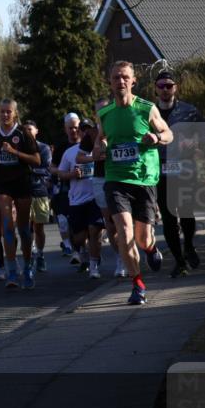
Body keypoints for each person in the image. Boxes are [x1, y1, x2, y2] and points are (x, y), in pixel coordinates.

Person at [95, 61, 172, 305]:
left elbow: (169, 133)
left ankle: (150, 249)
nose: (120, 82)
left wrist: (157, 137)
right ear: (110, 82)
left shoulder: (146, 109)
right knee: (124, 232)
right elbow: (101, 140)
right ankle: (137, 284)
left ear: (133, 81)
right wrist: (101, 147)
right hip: (116, 179)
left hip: (144, 179)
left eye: (125, 77)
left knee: (141, 238)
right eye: (116, 77)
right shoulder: (104, 114)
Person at [0, 99, 41, 289]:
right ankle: (11, 272)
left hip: (22, 183)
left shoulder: (23, 133)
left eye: (8, 112)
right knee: (7, 225)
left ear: (15, 114)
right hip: (2, 184)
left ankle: (27, 266)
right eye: (2, 112)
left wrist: (15, 152)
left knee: (24, 229)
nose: (4, 115)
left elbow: (36, 160)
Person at [153, 70, 205, 277]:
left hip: (184, 168)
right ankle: (179, 260)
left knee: (186, 213)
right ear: (155, 89)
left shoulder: (189, 111)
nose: (165, 89)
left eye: (169, 85)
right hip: (159, 170)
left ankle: (189, 245)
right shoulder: (149, 113)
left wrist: (194, 142)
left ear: (175, 87)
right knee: (168, 218)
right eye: (161, 86)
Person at [77, 98, 125, 277]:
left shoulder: (121, 125)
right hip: (100, 179)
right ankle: (121, 259)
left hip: (121, 176)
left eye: (106, 110)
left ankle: (130, 253)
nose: (102, 114)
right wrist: (95, 158)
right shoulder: (92, 133)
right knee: (110, 225)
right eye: (99, 111)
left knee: (124, 222)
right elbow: (80, 158)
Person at [58, 120, 105, 279]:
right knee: (79, 237)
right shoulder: (70, 152)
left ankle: (94, 266)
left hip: (95, 196)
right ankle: (83, 252)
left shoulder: (99, 148)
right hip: (76, 200)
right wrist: (71, 175)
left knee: (95, 231)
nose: (85, 133)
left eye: (88, 130)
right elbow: (61, 173)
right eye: (82, 130)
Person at [23, 120, 52, 273]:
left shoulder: (43, 148)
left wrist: (28, 169)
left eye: (30, 129)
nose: (27, 132)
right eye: (25, 130)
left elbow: (45, 168)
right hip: (23, 191)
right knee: (25, 228)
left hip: (40, 190)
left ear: (36, 131)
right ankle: (29, 256)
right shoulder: (20, 147)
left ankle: (40, 254)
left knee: (39, 227)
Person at [52, 113, 82, 261]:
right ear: (65, 129)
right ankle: (72, 248)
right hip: (65, 188)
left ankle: (83, 251)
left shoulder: (87, 144)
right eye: (70, 128)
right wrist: (63, 173)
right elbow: (52, 167)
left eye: (76, 127)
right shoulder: (61, 147)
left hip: (86, 188)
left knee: (84, 224)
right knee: (66, 220)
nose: (73, 131)